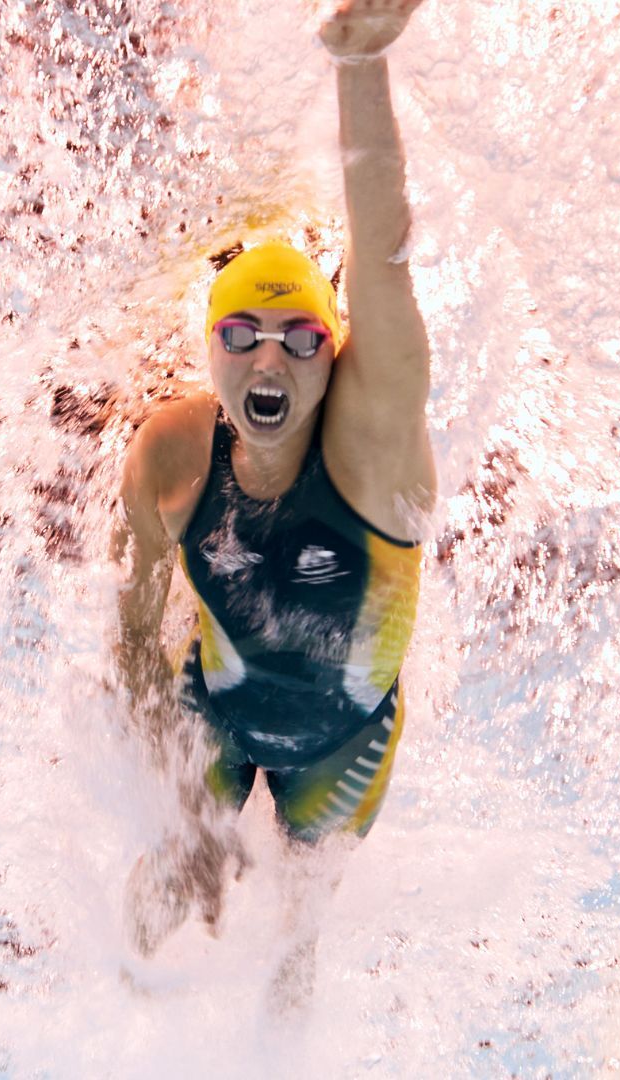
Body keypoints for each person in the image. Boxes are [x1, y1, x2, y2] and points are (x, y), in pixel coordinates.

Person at [111, 0, 435, 1009]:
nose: (269, 357)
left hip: (342, 750)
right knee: (155, 904)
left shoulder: (372, 456)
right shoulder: (169, 456)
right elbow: (133, 637)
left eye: (301, 337)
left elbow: (381, 263)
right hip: (218, 715)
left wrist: (361, 65)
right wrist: (173, 793)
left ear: (333, 356)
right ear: (209, 351)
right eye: (241, 333)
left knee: (295, 956)